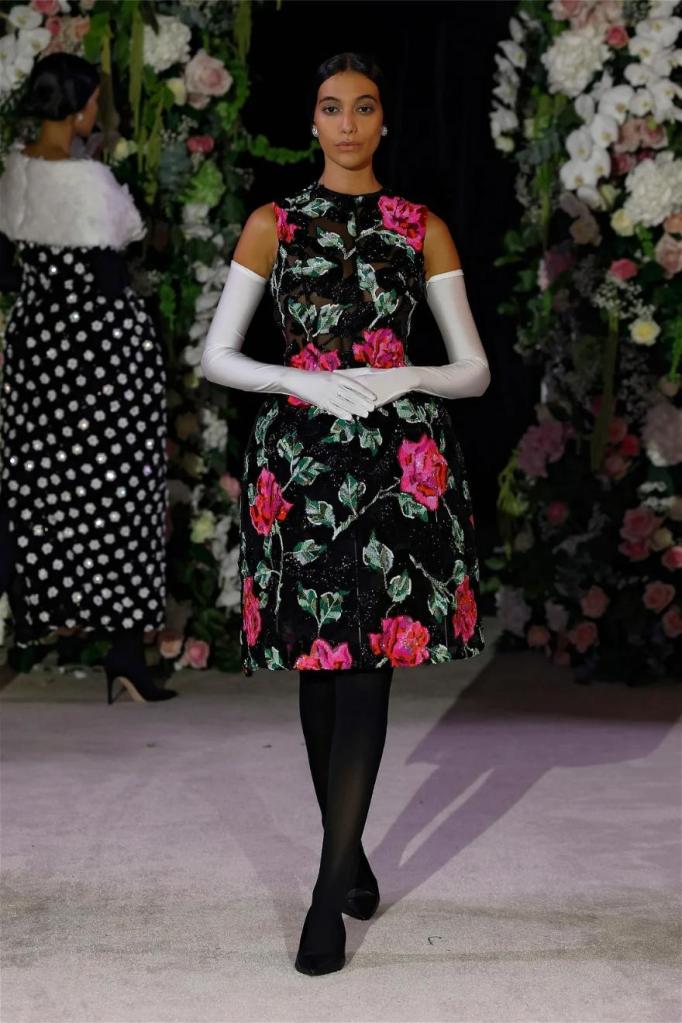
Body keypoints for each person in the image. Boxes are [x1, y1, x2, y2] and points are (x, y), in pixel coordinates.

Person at [201, 51, 490, 975]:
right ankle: (351, 849)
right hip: (301, 465)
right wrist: (300, 380)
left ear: (384, 121)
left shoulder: (420, 226)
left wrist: (407, 374)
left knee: (368, 667)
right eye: (333, 107)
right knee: (321, 665)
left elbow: (474, 369)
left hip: (400, 468)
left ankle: (327, 897)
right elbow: (216, 355)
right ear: (313, 121)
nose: (349, 124)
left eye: (365, 107)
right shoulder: (274, 223)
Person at [0, 52, 176, 704]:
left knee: (35, 488)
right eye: (94, 101)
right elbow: (117, 259)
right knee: (122, 495)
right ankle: (125, 652)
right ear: (76, 108)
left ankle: (45, 619)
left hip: (37, 352)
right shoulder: (89, 180)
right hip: (103, 356)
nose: (97, 111)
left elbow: (8, 268)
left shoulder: (14, 173)